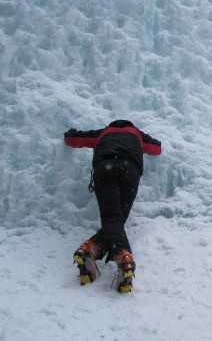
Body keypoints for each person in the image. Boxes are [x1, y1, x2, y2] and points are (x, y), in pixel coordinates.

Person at [64, 120, 161, 292]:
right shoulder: (137, 134)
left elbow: (75, 139)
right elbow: (156, 149)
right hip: (130, 170)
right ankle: (123, 256)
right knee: (117, 219)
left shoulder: (104, 132)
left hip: (105, 168)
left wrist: (69, 134)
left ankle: (91, 248)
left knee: (112, 219)